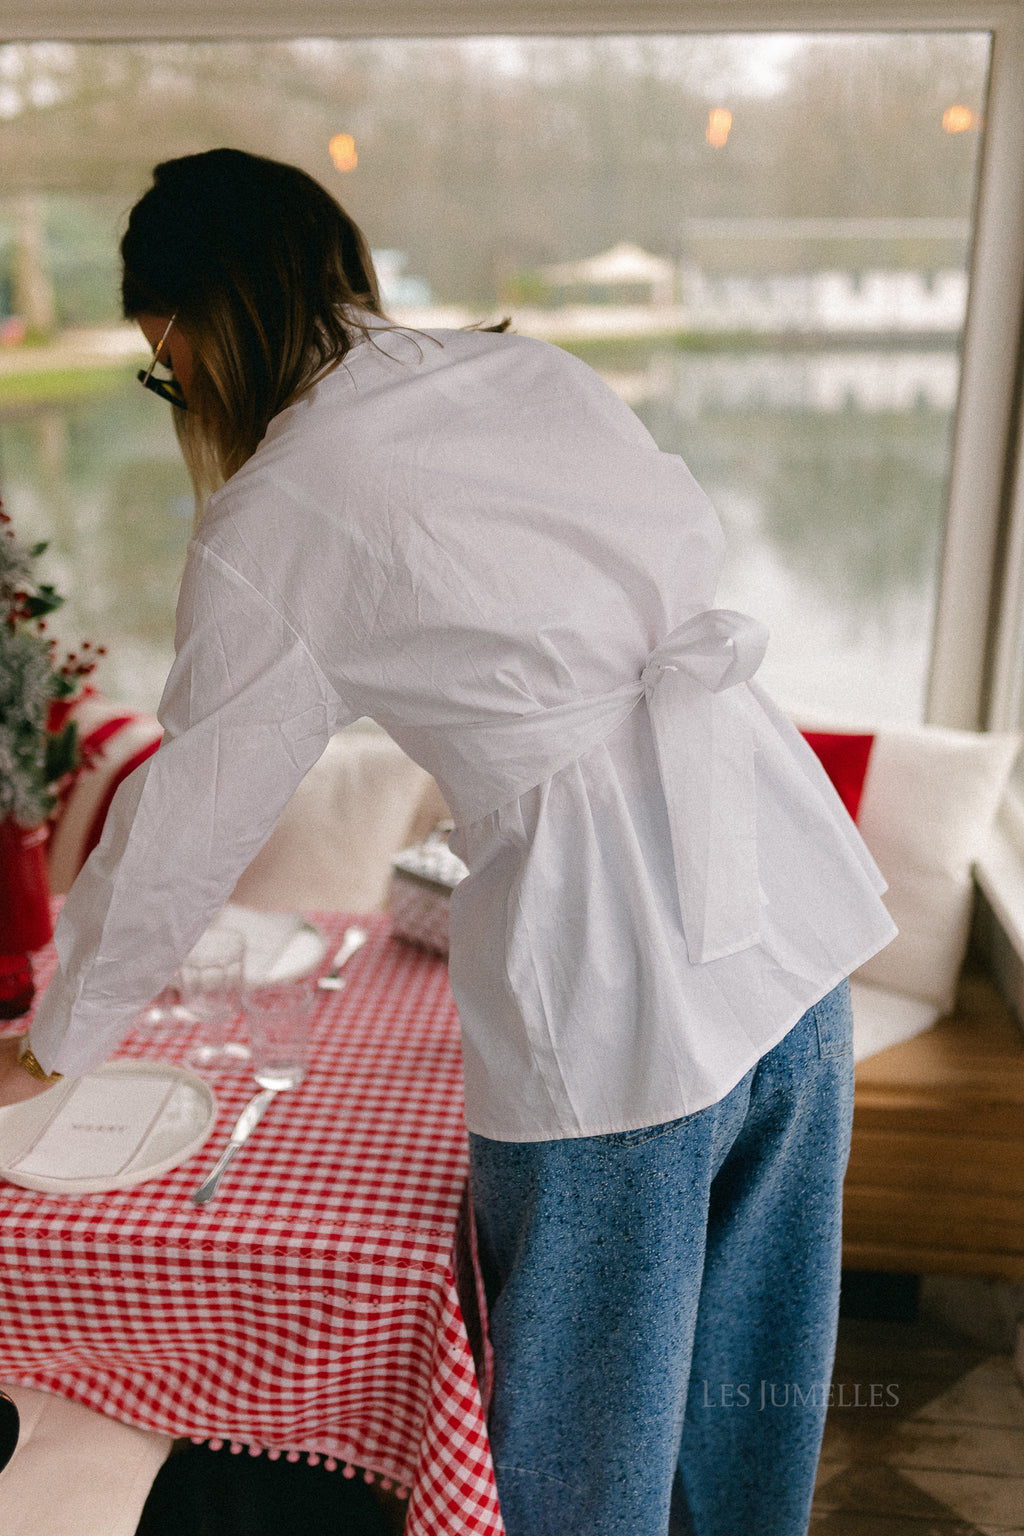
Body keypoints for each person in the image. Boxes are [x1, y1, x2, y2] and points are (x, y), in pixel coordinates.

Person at [0, 149, 896, 1535]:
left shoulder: (285, 505)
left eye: (163, 368)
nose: (178, 396)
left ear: (200, 325)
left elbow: (185, 826)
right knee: (754, 1400)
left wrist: (56, 1036)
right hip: (784, 897)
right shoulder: (525, 375)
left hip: (620, 987)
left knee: (582, 1462)